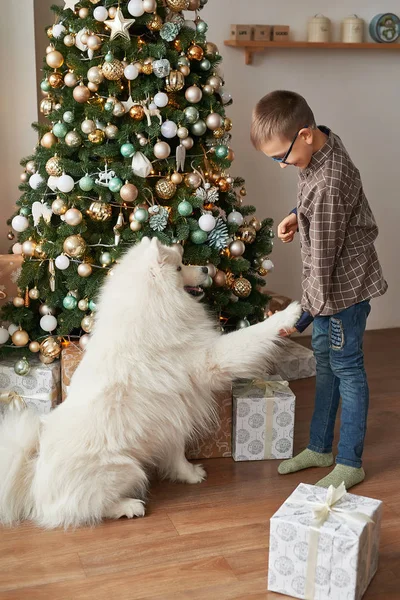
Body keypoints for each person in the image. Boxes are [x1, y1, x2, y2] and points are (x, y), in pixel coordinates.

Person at [251, 90, 387, 490]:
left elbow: (322, 265)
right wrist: (298, 216)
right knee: (325, 366)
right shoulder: (322, 145)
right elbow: (321, 210)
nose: (281, 166)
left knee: (348, 371)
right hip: (328, 287)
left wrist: (302, 316)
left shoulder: (328, 182)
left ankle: (349, 461)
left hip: (340, 295)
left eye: (282, 157)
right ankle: (320, 447)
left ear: (306, 134)